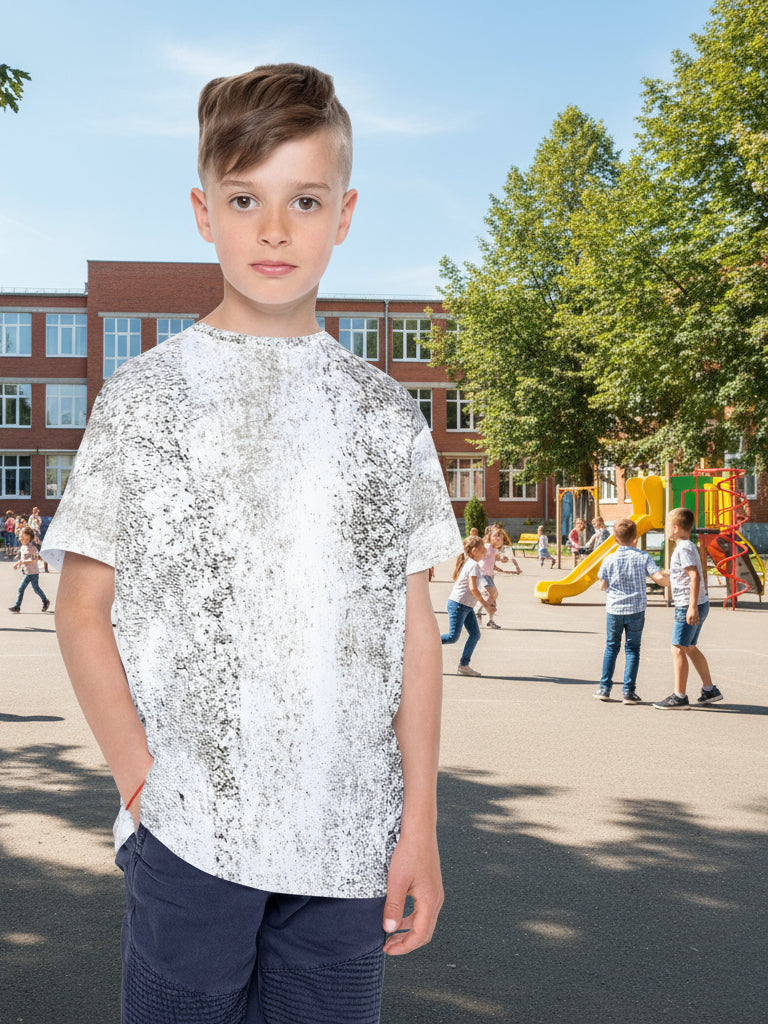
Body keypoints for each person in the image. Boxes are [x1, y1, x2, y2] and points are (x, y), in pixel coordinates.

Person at [43, 63, 462, 1023]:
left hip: (350, 840)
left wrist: (420, 828)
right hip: (194, 837)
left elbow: (412, 636)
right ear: (204, 211)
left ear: (344, 213)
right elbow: (82, 610)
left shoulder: (384, 415)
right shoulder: (146, 399)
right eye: (246, 199)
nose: (274, 229)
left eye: (303, 200)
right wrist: (140, 782)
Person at [654, 507, 723, 709]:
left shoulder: (683, 548)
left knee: (677, 648)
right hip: (698, 603)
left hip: (688, 605)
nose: (666, 530)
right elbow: (679, 577)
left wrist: (691, 607)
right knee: (690, 647)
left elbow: (694, 576)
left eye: (667, 526)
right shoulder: (687, 546)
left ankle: (679, 696)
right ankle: (710, 690)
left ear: (675, 528)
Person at [593, 518, 668, 703]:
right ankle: (629, 692)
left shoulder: (609, 559)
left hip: (615, 609)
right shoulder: (643, 557)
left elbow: (602, 585)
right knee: (633, 649)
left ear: (615, 539)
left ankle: (604, 688)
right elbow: (658, 577)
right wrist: (671, 579)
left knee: (611, 647)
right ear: (635, 538)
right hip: (636, 609)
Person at [440, 536, 494, 678]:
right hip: (458, 605)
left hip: (465, 606)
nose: (485, 548)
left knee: (475, 635)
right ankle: (425, 644)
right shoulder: (473, 565)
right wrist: (486, 605)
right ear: (476, 550)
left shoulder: (472, 563)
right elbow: (473, 588)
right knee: (452, 637)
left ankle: (464, 666)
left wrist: (488, 598)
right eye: (483, 546)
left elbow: (476, 587)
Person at [9, 527, 50, 613]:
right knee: (36, 589)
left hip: (32, 573)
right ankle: (45, 601)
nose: (23, 539)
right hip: (28, 571)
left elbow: (34, 559)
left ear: (29, 538)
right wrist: (18, 563)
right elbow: (23, 558)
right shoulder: (23, 547)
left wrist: (22, 562)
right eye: (22, 537)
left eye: (26, 537)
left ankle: (17, 606)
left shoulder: (32, 548)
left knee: (21, 588)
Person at [476, 524, 502, 628]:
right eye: (496, 535)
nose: (498, 538)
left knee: (492, 599)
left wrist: (502, 559)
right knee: (490, 597)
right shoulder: (487, 546)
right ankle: (477, 612)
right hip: (483, 575)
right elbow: (479, 555)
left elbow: (493, 560)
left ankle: (489, 619)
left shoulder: (493, 548)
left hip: (489, 576)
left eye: (499, 535)